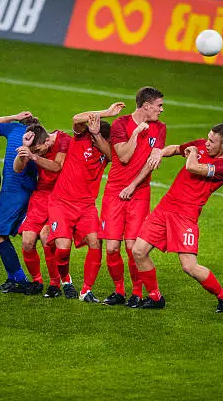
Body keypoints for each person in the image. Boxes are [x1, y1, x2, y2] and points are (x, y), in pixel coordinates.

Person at [131, 123, 223, 312]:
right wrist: (160, 153)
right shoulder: (202, 146)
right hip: (165, 207)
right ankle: (155, 297)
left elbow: (193, 168)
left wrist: (194, 151)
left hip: (185, 216)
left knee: (189, 266)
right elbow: (175, 149)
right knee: (138, 251)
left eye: (212, 141)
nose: (207, 143)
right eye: (207, 138)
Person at [98, 87, 166, 308]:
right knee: (111, 248)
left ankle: (137, 293)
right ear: (146, 106)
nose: (161, 110)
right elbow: (124, 157)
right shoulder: (120, 125)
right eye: (159, 105)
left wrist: (133, 185)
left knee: (131, 247)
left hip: (139, 192)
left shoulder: (161, 128)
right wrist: (136, 133)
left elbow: (151, 163)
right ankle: (119, 291)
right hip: (115, 191)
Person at [46, 106, 122, 302]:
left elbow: (114, 156)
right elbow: (76, 118)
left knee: (95, 242)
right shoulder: (80, 139)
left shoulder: (106, 152)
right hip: (61, 203)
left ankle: (86, 290)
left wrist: (100, 138)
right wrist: (105, 112)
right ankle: (66, 280)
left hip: (86, 207)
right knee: (62, 248)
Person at [13, 124, 72, 297]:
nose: (37, 153)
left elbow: (57, 166)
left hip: (60, 197)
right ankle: (37, 281)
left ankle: (55, 284)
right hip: (40, 196)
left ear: (48, 140)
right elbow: (17, 168)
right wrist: (24, 149)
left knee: (47, 237)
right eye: (35, 150)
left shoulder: (63, 140)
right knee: (27, 241)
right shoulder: (34, 146)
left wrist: (32, 156)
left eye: (39, 149)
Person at [0, 112, 39, 293]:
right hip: (29, 190)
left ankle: (21, 280)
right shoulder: (38, 136)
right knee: (17, 235)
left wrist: (13, 117)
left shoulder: (14, 128)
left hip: (13, 192)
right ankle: (15, 279)